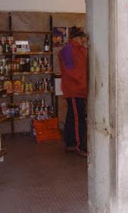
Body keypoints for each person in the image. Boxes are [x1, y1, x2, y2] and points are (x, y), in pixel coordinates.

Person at [58, 26, 88, 157]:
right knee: (78, 119)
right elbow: (71, 72)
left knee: (72, 116)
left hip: (78, 88)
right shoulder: (68, 50)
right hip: (75, 89)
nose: (83, 41)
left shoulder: (80, 50)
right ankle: (79, 146)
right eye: (82, 38)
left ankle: (70, 143)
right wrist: (83, 83)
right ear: (76, 37)